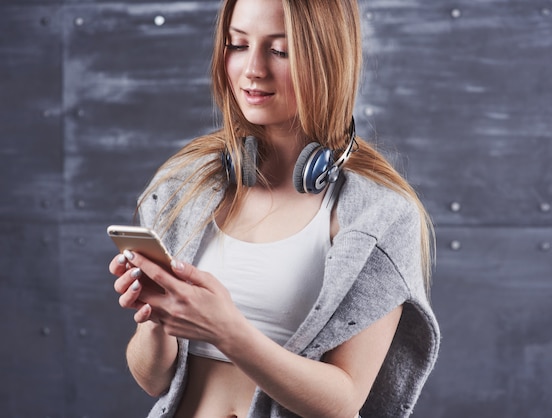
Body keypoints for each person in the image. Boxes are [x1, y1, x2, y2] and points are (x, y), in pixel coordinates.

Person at [109, 0, 440, 417]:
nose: (253, 69)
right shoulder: (184, 188)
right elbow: (155, 380)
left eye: (280, 51)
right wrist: (158, 317)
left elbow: (344, 400)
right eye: (237, 44)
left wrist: (228, 332)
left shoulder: (379, 216)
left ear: (327, 58)